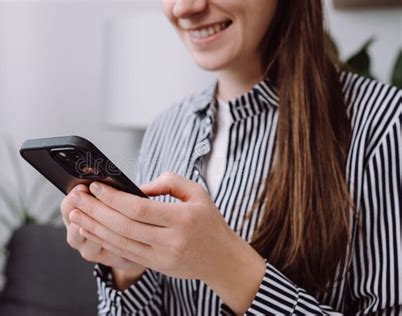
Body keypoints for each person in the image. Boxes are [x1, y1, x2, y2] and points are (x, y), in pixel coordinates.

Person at [61, 0, 401, 314]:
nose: (185, 8)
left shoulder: (384, 123)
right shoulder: (165, 127)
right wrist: (126, 266)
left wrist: (226, 266)